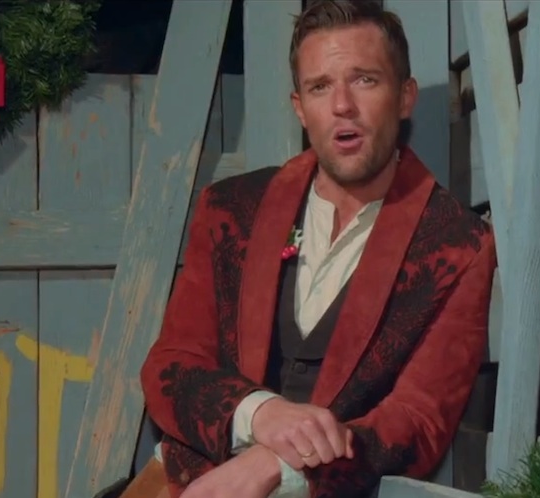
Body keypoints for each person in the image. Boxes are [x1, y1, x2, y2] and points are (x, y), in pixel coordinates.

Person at [119, 1, 496, 497]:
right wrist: (261, 414)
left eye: (364, 80)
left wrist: (282, 463)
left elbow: (419, 420)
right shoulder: (231, 208)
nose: (342, 105)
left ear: (404, 97)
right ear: (300, 108)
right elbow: (172, 364)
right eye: (320, 87)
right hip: (181, 484)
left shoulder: (457, 243)